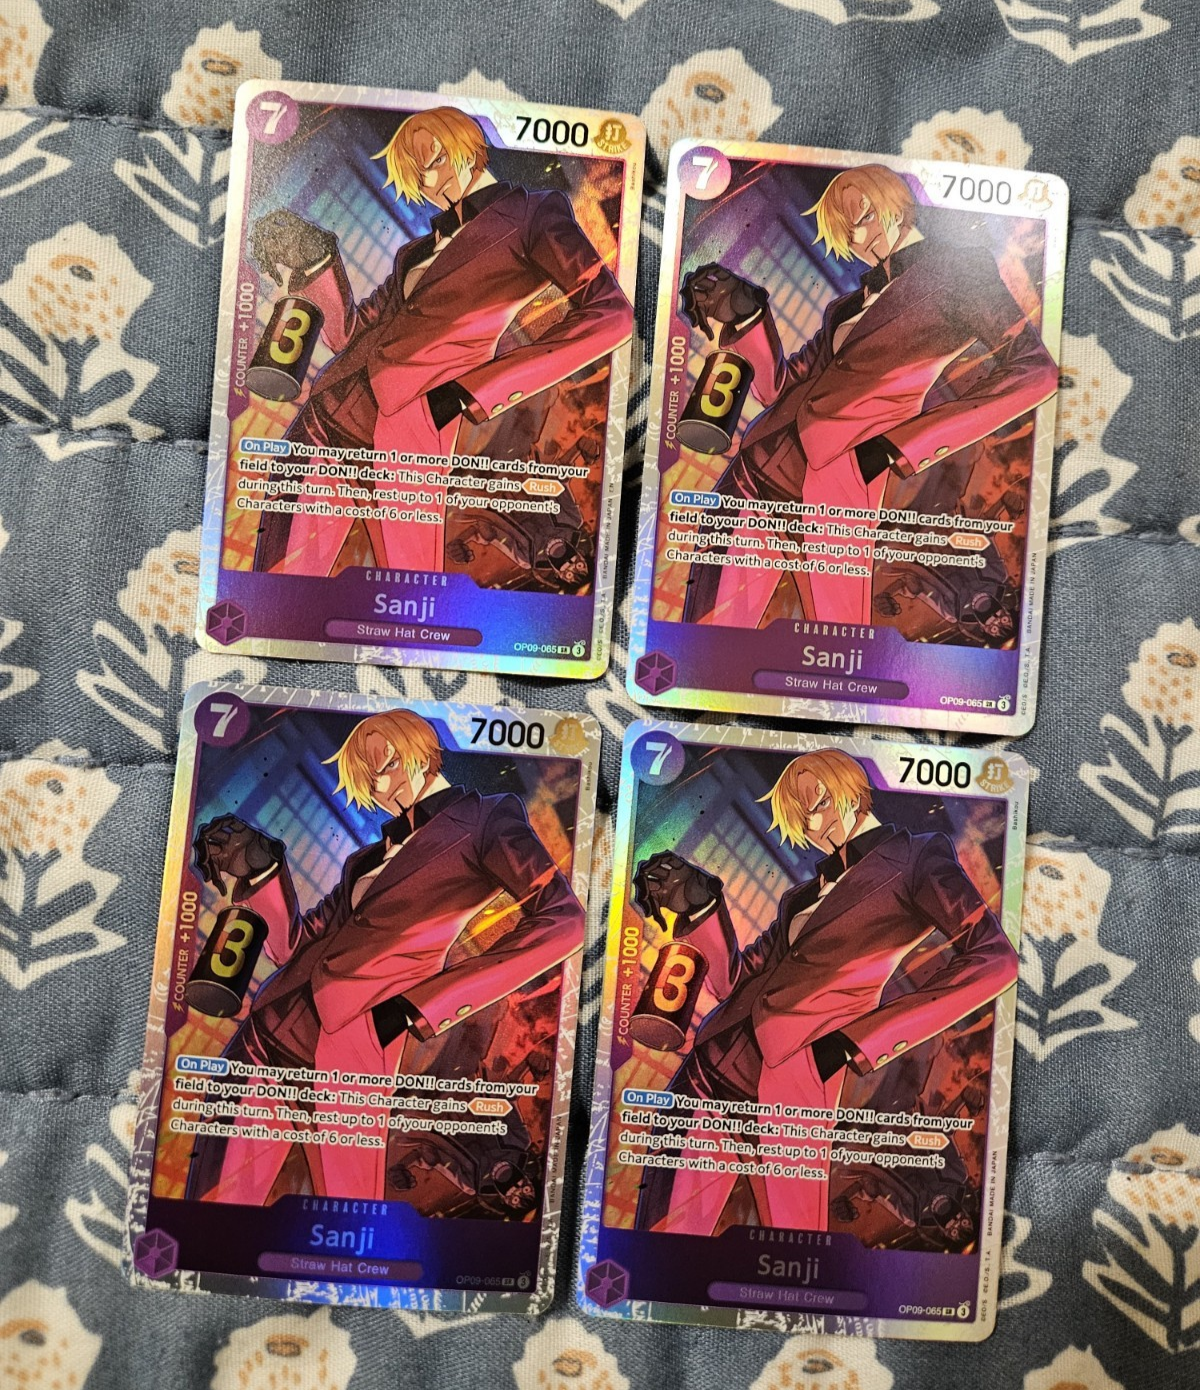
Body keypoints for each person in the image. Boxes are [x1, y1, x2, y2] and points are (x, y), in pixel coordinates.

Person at [184, 708, 584, 1204]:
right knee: (211, 1206)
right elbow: (293, 944)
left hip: (351, 1048)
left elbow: (565, 920)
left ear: (424, 753)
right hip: (266, 1032)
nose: (379, 786)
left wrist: (420, 1006)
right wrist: (261, 867)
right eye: (367, 779)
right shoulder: (364, 860)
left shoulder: (486, 818)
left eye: (388, 764)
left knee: (347, 1213)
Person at [630, 748, 1018, 1235]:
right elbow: (734, 980)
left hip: (790, 1088)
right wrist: (700, 903)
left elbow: (995, 959)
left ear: (852, 790)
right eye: (802, 817)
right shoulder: (800, 897)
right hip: (706, 1074)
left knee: (793, 1249)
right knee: (659, 1241)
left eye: (818, 803)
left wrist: (857, 1042)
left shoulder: (917, 857)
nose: (813, 824)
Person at [250, 105, 633, 575]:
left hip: (407, 432)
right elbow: (348, 333)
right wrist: (314, 258)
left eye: (433, 161)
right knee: (275, 585)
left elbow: (612, 316)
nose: (430, 183)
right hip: (323, 421)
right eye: (417, 175)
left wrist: (472, 391)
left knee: (409, 594)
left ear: (467, 146)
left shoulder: (534, 214)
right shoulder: (414, 251)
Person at [678, 163, 1058, 628]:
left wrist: (898, 447)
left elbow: (1036, 372)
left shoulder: (960, 272)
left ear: (894, 201)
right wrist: (744, 312)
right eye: (846, 231)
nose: (858, 239)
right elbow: (777, 387)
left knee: (835, 644)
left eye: (863, 218)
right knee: (704, 636)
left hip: (835, 488)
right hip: (753, 472)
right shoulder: (844, 307)